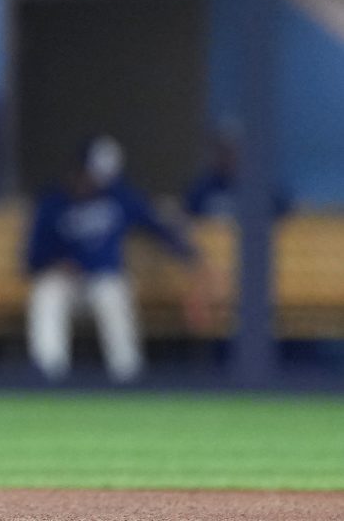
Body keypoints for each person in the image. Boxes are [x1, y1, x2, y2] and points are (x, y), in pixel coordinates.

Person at [24, 135, 219, 384]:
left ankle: (126, 375)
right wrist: (56, 263)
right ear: (79, 169)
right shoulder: (53, 203)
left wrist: (191, 257)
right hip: (66, 282)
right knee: (47, 292)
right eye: (92, 173)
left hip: (103, 279)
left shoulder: (118, 196)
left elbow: (157, 227)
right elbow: (32, 259)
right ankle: (49, 373)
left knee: (112, 292)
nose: (95, 181)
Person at [183, 119, 292, 221]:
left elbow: (285, 218)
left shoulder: (264, 189)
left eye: (233, 150)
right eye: (222, 151)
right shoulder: (201, 191)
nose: (228, 157)